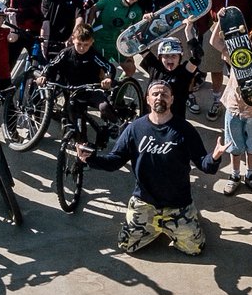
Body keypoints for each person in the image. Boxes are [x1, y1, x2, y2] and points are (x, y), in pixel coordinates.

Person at [76, 79, 227, 255]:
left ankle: (183, 220)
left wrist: (215, 156)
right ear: (148, 99)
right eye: (155, 94)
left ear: (172, 99)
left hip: (177, 203)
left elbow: (205, 165)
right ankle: (159, 227)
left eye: (164, 94)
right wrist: (90, 159)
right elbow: (114, 161)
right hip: (144, 203)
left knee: (195, 249)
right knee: (126, 246)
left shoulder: (184, 129)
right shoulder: (134, 129)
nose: (159, 97)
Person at [210, 22, 252, 194]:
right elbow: (215, 42)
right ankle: (234, 175)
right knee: (234, 144)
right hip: (233, 107)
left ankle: (250, 174)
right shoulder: (237, 57)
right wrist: (219, 22)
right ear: (249, 42)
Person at [90, 0, 146, 73]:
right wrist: (90, 26)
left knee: (130, 69)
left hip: (117, 43)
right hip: (100, 40)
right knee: (101, 71)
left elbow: (136, 30)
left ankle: (120, 87)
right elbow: (93, 8)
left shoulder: (137, 11)